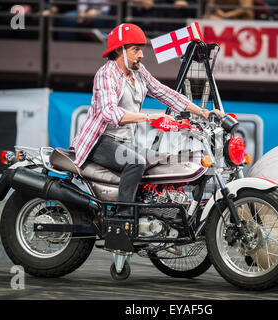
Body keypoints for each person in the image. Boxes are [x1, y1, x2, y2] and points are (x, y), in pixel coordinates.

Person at [71, 23, 224, 217]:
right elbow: (110, 113)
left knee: (158, 159)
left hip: (124, 141)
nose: (142, 55)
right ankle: (124, 217)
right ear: (120, 50)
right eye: (136, 50)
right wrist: (151, 116)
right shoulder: (106, 74)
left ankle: (153, 212)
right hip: (99, 141)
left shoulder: (139, 72)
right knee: (135, 163)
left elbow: (166, 93)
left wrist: (203, 112)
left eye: (141, 49)